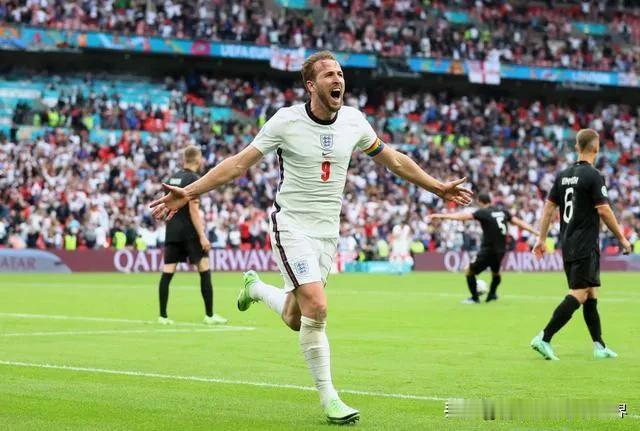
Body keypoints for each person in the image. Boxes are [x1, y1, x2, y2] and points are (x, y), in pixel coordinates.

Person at [150, 51, 472, 424]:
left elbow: (394, 160)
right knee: (317, 306)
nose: (338, 80)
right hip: (291, 225)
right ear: (310, 85)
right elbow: (238, 164)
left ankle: (256, 289)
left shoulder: (354, 121)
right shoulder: (285, 121)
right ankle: (330, 398)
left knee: (295, 317)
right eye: (329, 75)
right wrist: (189, 192)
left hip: (326, 233)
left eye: (340, 74)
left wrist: (438, 187)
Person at [531, 129, 632, 360]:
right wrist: (622, 238)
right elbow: (604, 210)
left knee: (590, 293)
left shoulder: (563, 175)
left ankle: (599, 346)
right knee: (579, 293)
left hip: (569, 242)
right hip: (584, 243)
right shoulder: (593, 175)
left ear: (577, 147)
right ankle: (544, 337)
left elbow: (548, 208)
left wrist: (541, 238)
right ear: (596, 147)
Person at [157, 145, 227, 326]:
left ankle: (163, 316)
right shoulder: (194, 179)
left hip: (172, 231)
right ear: (197, 159)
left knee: (167, 272)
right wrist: (202, 236)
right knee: (204, 269)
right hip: (190, 232)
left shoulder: (171, 178)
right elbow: (193, 210)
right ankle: (209, 315)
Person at [430, 193, 539, 303]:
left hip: (488, 250)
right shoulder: (502, 211)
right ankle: (492, 294)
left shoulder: (483, 212)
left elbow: (463, 216)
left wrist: (442, 216)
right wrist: (535, 232)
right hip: (501, 250)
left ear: (480, 202)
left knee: (468, 271)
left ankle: (475, 298)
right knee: (496, 273)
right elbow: (519, 222)